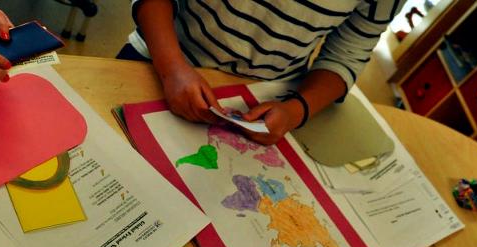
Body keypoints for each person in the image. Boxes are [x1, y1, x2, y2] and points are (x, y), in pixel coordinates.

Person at [123, 0, 406, 144]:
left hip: (267, 98)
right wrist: (172, 67)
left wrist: (296, 111)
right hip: (160, 56)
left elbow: (349, 51)